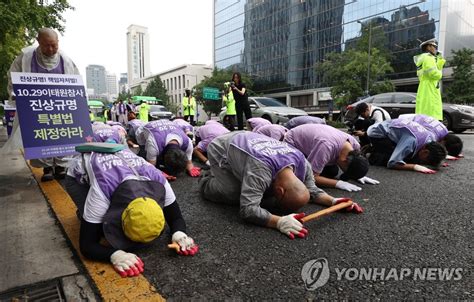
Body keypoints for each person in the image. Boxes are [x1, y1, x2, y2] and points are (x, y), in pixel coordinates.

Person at [199, 132, 363, 239]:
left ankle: (236, 177)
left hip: (250, 144)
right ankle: (205, 178)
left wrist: (333, 202)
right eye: (280, 202)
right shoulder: (260, 170)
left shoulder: (302, 163)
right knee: (233, 193)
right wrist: (278, 221)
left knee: (257, 192)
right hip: (223, 147)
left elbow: (311, 189)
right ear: (279, 190)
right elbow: (247, 209)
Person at [65, 147, 198, 277]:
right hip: (78, 178)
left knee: (99, 221)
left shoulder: (160, 181)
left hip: (123, 166)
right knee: (98, 230)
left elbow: (176, 218)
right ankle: (85, 215)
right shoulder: (102, 191)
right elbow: (87, 245)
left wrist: (179, 234)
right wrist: (115, 255)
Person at [5, 28, 80, 181]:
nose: (51, 49)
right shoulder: (25, 57)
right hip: (36, 106)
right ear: (38, 42)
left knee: (61, 135)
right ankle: (47, 168)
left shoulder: (66, 61)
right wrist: (15, 93)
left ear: (58, 42)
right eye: (46, 45)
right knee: (41, 135)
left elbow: (75, 84)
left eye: (54, 45)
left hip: (59, 106)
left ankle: (60, 166)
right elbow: (13, 76)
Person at [284, 124, 377, 192]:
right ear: (344, 161)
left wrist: (358, 174)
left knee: (332, 172)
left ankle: (312, 161)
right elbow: (311, 177)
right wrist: (337, 183)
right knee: (299, 174)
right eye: (345, 171)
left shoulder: (355, 145)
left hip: (314, 141)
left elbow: (356, 161)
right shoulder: (326, 147)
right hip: (293, 141)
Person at [367, 118, 447, 173]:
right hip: (376, 134)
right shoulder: (411, 141)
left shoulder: (430, 139)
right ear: (426, 151)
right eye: (425, 161)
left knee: (409, 156)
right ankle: (371, 153)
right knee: (397, 159)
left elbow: (437, 151)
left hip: (392, 129)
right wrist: (415, 167)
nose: (423, 162)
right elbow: (392, 163)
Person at [398, 113, 463, 158]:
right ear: (444, 142)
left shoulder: (444, 129)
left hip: (408, 117)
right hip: (402, 123)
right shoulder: (433, 137)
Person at [414, 38, 446, 120]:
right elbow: (434, 74)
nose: (435, 49)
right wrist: (440, 74)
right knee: (432, 114)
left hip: (425, 87)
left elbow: (434, 69)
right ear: (428, 47)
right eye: (434, 46)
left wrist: (440, 59)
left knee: (424, 111)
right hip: (430, 88)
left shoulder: (423, 58)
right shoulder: (429, 58)